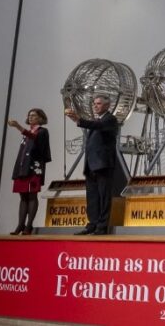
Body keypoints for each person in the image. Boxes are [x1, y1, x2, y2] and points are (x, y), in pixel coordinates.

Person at [66, 95, 118, 235]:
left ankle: (102, 226)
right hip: (91, 166)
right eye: (94, 103)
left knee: (103, 196)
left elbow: (98, 126)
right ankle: (92, 224)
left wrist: (78, 120)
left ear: (107, 105)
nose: (95, 106)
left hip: (103, 164)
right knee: (92, 198)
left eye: (99, 103)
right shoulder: (97, 120)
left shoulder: (110, 119)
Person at [7, 109, 51, 235]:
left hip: (34, 169)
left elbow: (34, 138)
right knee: (23, 197)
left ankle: (29, 225)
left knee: (32, 195)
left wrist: (18, 126)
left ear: (40, 118)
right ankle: (20, 224)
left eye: (34, 115)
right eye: (29, 115)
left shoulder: (42, 131)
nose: (30, 117)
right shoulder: (26, 133)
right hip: (22, 168)